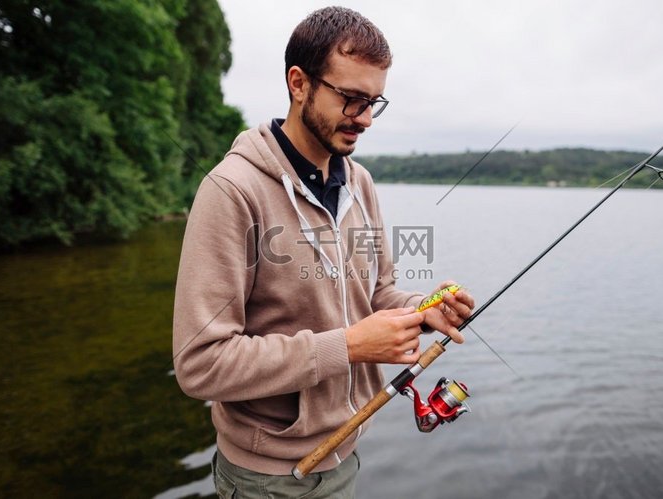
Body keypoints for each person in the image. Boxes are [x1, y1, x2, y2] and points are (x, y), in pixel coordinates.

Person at [172, 6, 475, 498]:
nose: (365, 119)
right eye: (351, 99)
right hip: (264, 477)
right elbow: (199, 363)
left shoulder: (361, 183)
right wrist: (350, 346)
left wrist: (422, 310)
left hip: (345, 452)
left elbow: (376, 295)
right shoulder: (231, 191)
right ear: (298, 83)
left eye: (375, 102)